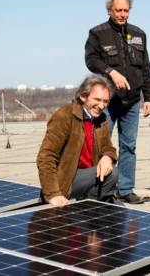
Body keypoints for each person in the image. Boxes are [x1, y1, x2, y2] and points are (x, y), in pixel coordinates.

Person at [85, 0, 150, 204]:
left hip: (132, 101)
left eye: (126, 10)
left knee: (129, 146)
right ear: (110, 10)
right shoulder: (98, 33)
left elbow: (145, 67)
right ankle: (100, 190)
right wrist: (110, 71)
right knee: (100, 145)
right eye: (118, 10)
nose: (123, 14)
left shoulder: (138, 34)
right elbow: (91, 60)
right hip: (107, 102)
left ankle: (125, 190)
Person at [37, 75, 118, 207]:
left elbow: (108, 147)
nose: (102, 105)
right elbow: (46, 157)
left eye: (106, 101)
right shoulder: (65, 115)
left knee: (119, 217)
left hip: (89, 177)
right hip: (67, 180)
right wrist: (53, 194)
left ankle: (89, 206)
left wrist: (107, 157)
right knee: (113, 174)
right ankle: (87, 208)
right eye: (97, 99)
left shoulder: (101, 118)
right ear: (83, 96)